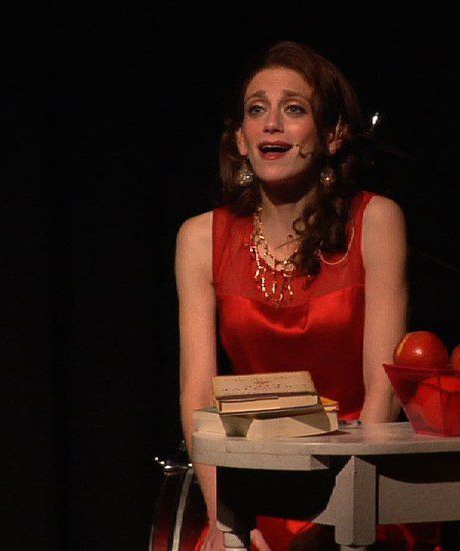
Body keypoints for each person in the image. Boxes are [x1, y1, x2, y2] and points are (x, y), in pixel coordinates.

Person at [175, 41, 413, 550]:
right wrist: (224, 520)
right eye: (256, 109)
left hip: (359, 483)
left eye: (294, 109)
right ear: (240, 139)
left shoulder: (376, 221)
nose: (271, 124)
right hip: (252, 495)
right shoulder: (200, 238)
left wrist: (337, 521)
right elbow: (197, 398)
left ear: (333, 134)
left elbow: (384, 391)